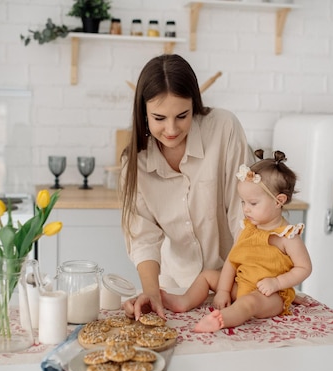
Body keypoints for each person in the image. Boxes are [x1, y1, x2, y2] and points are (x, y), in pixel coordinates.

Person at [120, 54, 254, 322]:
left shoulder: (224, 128)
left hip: (235, 281)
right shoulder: (136, 161)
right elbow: (143, 237)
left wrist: (232, 284)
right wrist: (152, 293)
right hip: (176, 287)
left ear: (195, 104)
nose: (171, 129)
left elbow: (244, 215)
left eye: (182, 116)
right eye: (159, 118)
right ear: (143, 114)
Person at [161, 149, 312, 332]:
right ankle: (183, 301)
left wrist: (278, 283)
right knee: (208, 275)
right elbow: (232, 261)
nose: (246, 209)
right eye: (243, 202)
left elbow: (304, 268)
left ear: (278, 201)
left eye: (253, 203)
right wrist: (224, 290)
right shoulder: (247, 228)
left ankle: (221, 319)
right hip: (241, 286)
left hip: (269, 296)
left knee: (250, 302)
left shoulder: (287, 236)